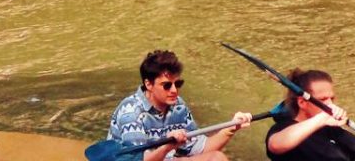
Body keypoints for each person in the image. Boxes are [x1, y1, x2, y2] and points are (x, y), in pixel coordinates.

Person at [108, 50, 253, 161]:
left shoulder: (178, 105)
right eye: (166, 85)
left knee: (217, 158)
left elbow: (199, 148)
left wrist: (230, 129)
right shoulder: (131, 112)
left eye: (178, 84)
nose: (174, 90)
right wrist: (168, 147)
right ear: (148, 84)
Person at [264, 69, 355, 161]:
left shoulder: (334, 132)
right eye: (323, 100)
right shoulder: (282, 129)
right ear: (302, 103)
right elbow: (276, 146)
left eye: (331, 99)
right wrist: (322, 118)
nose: (330, 104)